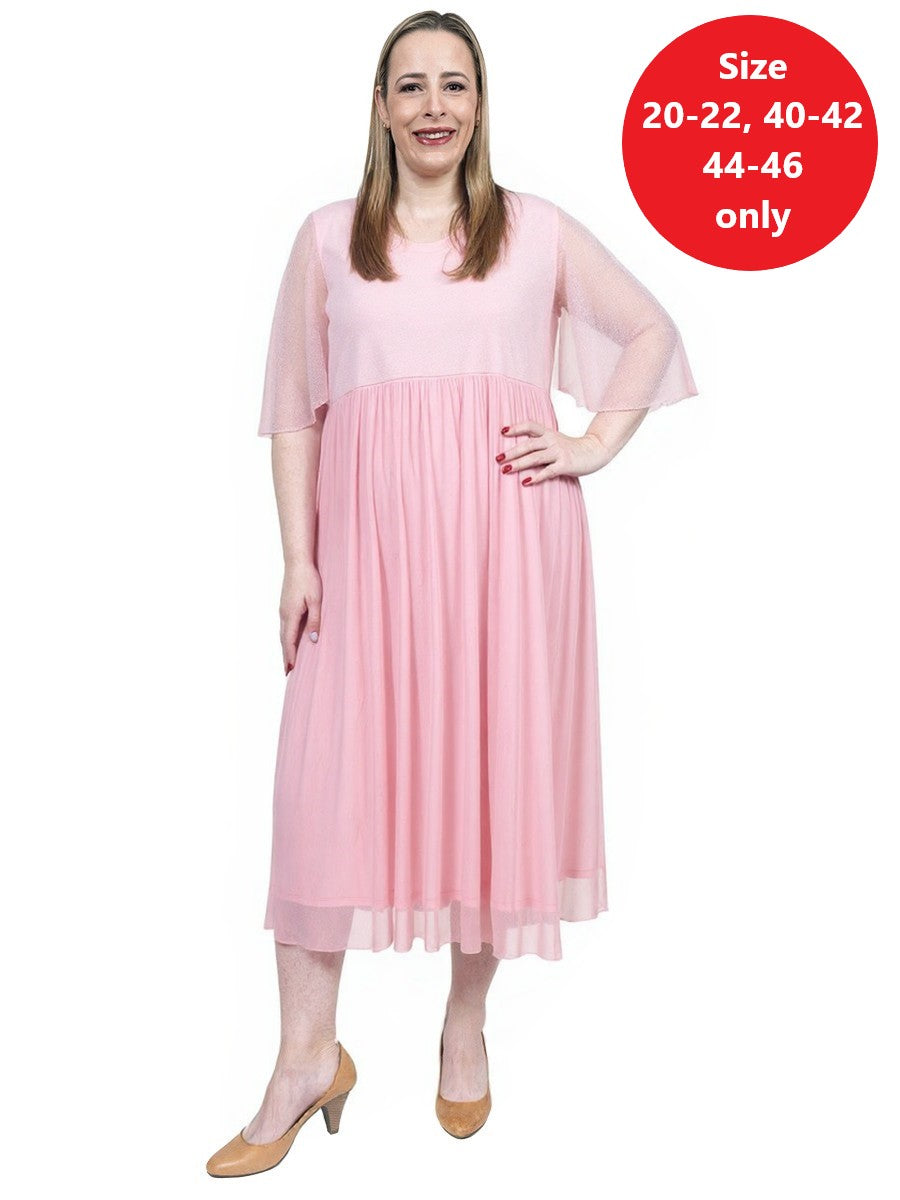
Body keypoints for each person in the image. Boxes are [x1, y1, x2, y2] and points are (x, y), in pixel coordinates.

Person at [207, 9, 698, 1177]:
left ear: (480, 105)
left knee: (488, 781)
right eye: (413, 85)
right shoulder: (327, 239)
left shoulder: (535, 231)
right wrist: (297, 557)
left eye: (455, 85)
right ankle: (306, 1056)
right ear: (381, 108)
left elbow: (649, 330)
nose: (435, 105)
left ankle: (465, 1024)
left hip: (508, 547)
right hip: (364, 554)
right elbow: (294, 410)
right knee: (318, 792)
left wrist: (592, 445)